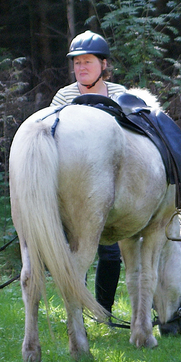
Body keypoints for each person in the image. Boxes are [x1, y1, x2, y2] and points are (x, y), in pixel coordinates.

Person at [49, 31, 126, 317]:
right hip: (73, 183)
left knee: (110, 252)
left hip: (109, 184)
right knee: (74, 249)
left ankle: (103, 311)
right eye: (77, 63)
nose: (81, 67)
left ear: (103, 64)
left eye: (88, 62)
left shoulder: (119, 94)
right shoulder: (63, 96)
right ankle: (76, 311)